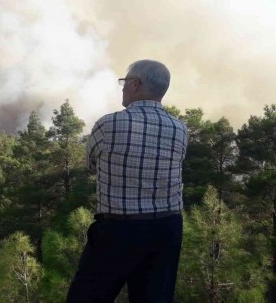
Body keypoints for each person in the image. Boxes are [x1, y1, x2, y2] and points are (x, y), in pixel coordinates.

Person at [67, 60, 188, 303]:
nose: (122, 88)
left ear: (135, 84)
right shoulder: (180, 129)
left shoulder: (108, 124)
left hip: (118, 231)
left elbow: (90, 163)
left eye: (124, 82)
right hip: (167, 230)